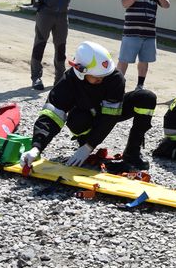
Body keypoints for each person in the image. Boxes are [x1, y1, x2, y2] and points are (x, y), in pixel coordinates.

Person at [19, 41, 157, 171]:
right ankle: (83, 140)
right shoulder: (69, 81)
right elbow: (52, 114)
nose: (101, 79)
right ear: (81, 71)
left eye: (104, 75)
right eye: (97, 77)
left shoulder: (114, 78)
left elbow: (110, 117)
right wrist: (37, 147)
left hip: (108, 113)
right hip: (84, 115)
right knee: (77, 120)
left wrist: (89, 147)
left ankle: (132, 153)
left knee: (146, 98)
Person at [29, 0, 82, 91]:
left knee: (61, 48)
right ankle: (36, 77)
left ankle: (59, 79)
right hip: (45, 13)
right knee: (40, 44)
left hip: (62, 16)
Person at [116, 0, 170, 90]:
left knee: (144, 61)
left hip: (149, 34)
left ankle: (140, 85)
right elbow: (125, 3)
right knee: (124, 60)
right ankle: (117, 84)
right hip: (131, 33)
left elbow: (167, 5)